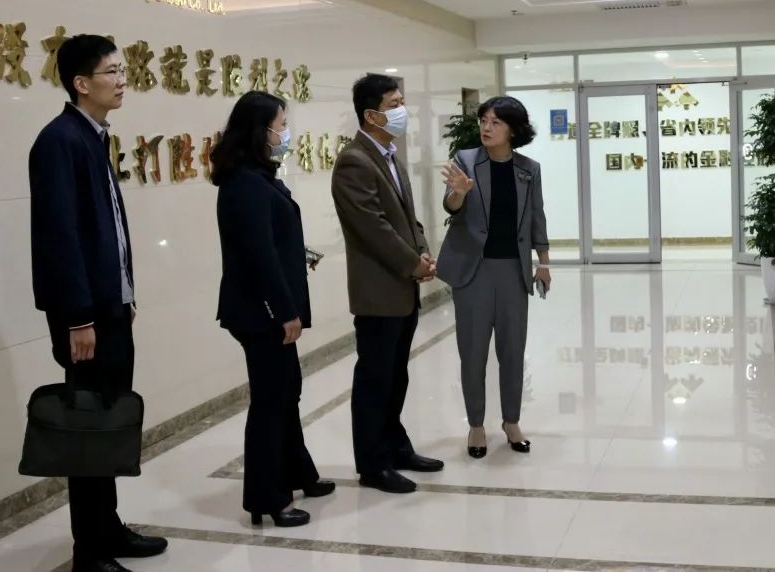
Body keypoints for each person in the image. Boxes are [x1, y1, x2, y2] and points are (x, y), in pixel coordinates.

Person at [29, 34, 168, 572]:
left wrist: (120, 295)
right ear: (81, 83)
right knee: (88, 431)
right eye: (112, 71)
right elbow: (59, 236)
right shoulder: (59, 141)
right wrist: (78, 317)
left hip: (108, 309)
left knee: (106, 423)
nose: (122, 80)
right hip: (85, 318)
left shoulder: (92, 135)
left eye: (122, 69)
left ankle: (107, 529)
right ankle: (90, 551)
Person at [211, 91, 335, 527]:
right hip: (260, 312)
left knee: (287, 392)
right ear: (260, 131)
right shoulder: (244, 183)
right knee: (270, 401)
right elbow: (258, 256)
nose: (286, 133)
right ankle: (268, 498)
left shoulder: (259, 176)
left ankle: (298, 473)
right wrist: (284, 311)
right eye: (282, 125)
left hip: (267, 307)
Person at [331, 74, 443, 494]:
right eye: (394, 104)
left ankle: (396, 448)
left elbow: (406, 218)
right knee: (375, 380)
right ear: (371, 114)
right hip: (378, 292)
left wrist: (422, 252)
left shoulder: (390, 155)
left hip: (402, 287)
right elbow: (373, 228)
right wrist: (413, 264)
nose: (402, 110)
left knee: (396, 376)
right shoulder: (354, 162)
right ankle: (373, 464)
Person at [436, 96, 550, 458]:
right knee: (472, 352)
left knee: (512, 351)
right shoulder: (466, 160)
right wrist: (458, 193)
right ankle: (475, 425)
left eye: (496, 122)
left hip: (513, 270)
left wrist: (543, 262)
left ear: (513, 130)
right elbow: (451, 205)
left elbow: (536, 216)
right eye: (484, 120)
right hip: (474, 270)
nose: (486, 127)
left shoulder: (529, 169)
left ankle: (511, 421)